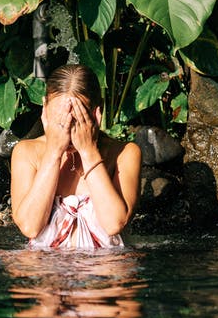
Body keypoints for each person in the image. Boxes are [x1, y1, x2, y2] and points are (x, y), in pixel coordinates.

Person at [10, 64, 142, 249]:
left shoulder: (125, 153)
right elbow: (30, 227)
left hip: (104, 269)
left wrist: (88, 152)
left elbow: (114, 224)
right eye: (60, 120)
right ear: (44, 110)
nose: (67, 129)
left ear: (97, 113)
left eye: (77, 120)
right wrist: (53, 153)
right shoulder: (27, 152)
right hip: (45, 270)